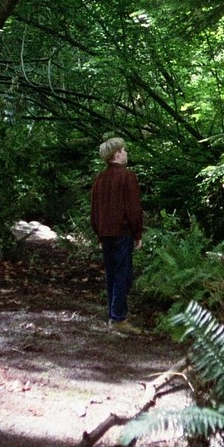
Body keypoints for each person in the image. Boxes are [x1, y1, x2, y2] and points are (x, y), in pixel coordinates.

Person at [90, 137, 143, 334]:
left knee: (112, 274)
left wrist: (98, 232)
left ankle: (114, 313)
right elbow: (133, 209)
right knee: (123, 274)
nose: (126, 153)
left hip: (105, 233)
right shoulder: (127, 177)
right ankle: (118, 317)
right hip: (122, 232)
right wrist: (137, 233)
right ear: (117, 153)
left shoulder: (100, 179)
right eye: (124, 150)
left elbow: (94, 211)